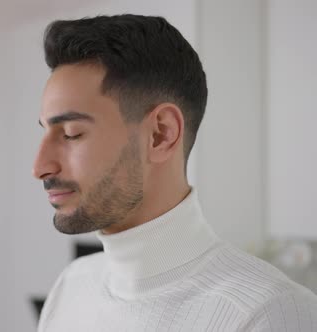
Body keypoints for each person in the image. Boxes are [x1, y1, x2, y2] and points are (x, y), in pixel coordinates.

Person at [33, 14, 317, 331]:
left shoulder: (269, 313)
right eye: (45, 131)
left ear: (161, 134)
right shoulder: (71, 286)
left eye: (71, 133)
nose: (40, 167)